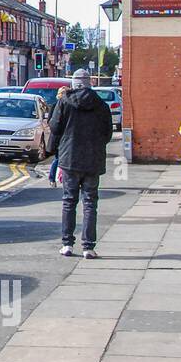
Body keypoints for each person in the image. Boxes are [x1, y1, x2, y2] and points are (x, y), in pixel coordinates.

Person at [49, 69, 114, 259]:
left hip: (70, 158)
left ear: (73, 83)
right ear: (89, 83)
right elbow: (107, 134)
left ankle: (67, 244)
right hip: (93, 160)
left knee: (69, 201)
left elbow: (54, 127)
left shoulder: (64, 102)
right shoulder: (101, 105)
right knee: (90, 203)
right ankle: (88, 247)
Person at [47, 86, 70, 187]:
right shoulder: (55, 106)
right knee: (58, 159)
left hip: (64, 137)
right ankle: (52, 178)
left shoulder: (69, 106)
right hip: (58, 138)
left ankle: (56, 178)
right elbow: (50, 122)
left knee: (61, 159)